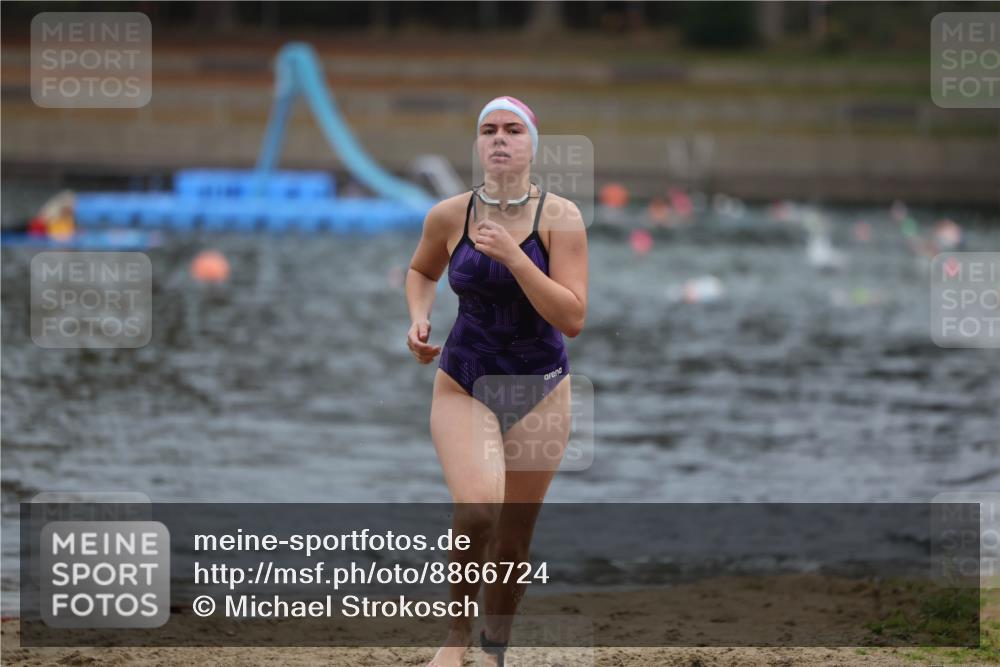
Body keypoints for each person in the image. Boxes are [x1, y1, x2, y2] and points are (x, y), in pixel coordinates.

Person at [405, 96, 589, 666]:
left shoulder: (561, 218)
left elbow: (573, 317)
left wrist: (515, 257)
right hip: (464, 381)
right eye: (489, 130)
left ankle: (494, 649)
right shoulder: (449, 215)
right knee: (479, 507)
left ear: (533, 144)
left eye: (513, 130)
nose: (500, 139)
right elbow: (421, 270)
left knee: (512, 540)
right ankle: (456, 638)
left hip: (542, 389)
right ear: (478, 144)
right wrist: (418, 315)